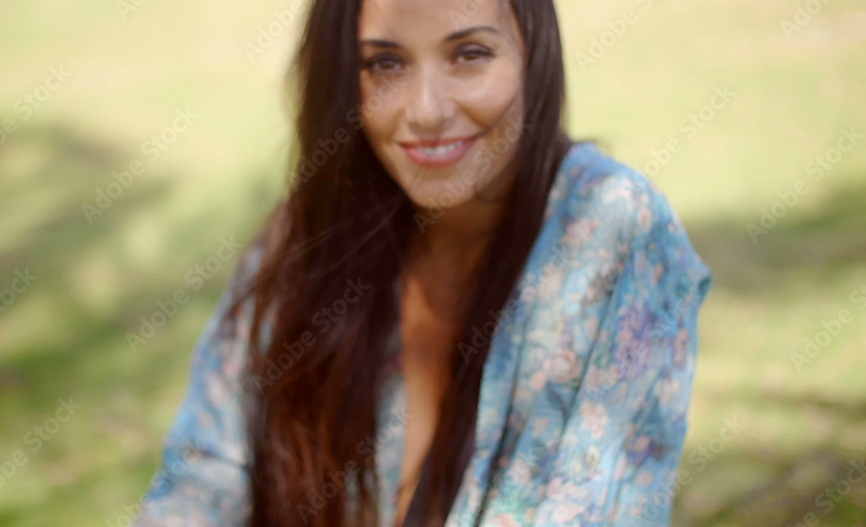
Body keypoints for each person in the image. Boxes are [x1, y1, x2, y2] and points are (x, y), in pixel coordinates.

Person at [133, 0, 713, 525]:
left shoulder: (614, 227)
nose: (427, 111)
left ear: (534, 53)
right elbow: (204, 474)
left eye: (470, 54)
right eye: (384, 64)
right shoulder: (314, 231)